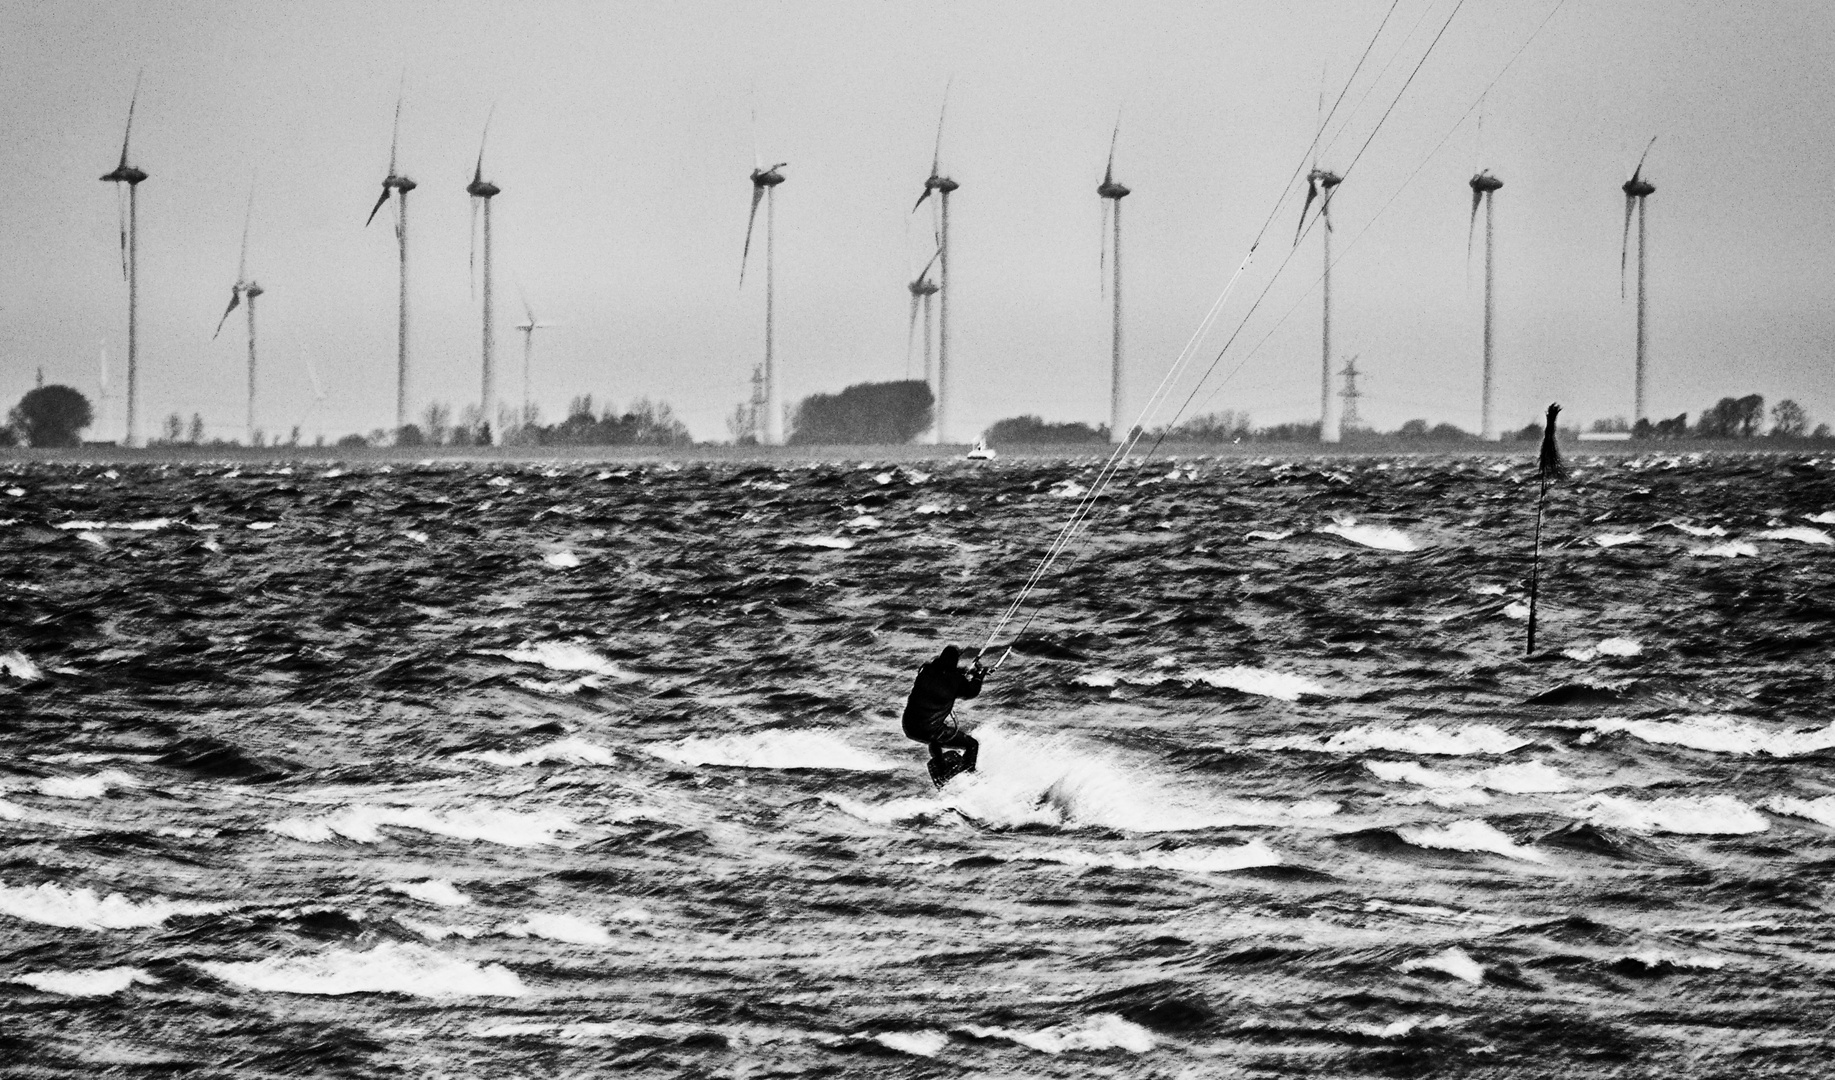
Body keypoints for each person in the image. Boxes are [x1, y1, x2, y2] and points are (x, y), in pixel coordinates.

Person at [902, 644, 987, 787]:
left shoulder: (926, 671)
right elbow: (971, 691)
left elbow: (941, 671)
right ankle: (969, 778)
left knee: (934, 739)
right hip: (931, 730)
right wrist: (979, 676)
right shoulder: (955, 680)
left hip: (909, 727)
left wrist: (962, 672)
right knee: (972, 745)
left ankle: (941, 766)